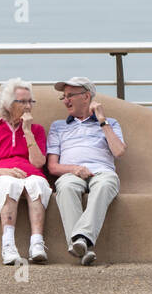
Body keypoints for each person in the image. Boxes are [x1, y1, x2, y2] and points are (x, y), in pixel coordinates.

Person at [46, 77, 126, 267]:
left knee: (106, 184)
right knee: (65, 187)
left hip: (102, 172)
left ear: (86, 97)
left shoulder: (110, 123)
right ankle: (84, 246)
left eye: (70, 96)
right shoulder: (58, 127)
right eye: (63, 97)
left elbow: (119, 151)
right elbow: (52, 167)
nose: (65, 101)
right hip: (71, 174)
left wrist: (101, 120)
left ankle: (81, 241)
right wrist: (74, 169)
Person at [0, 78, 51, 265]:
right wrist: (6, 172)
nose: (28, 106)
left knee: (37, 184)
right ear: (9, 104)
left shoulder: (37, 130)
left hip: (32, 174)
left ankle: (37, 243)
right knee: (9, 185)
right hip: (4, 175)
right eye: (23, 102)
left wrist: (27, 131)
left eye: (30, 101)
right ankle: (8, 245)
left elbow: (38, 163)